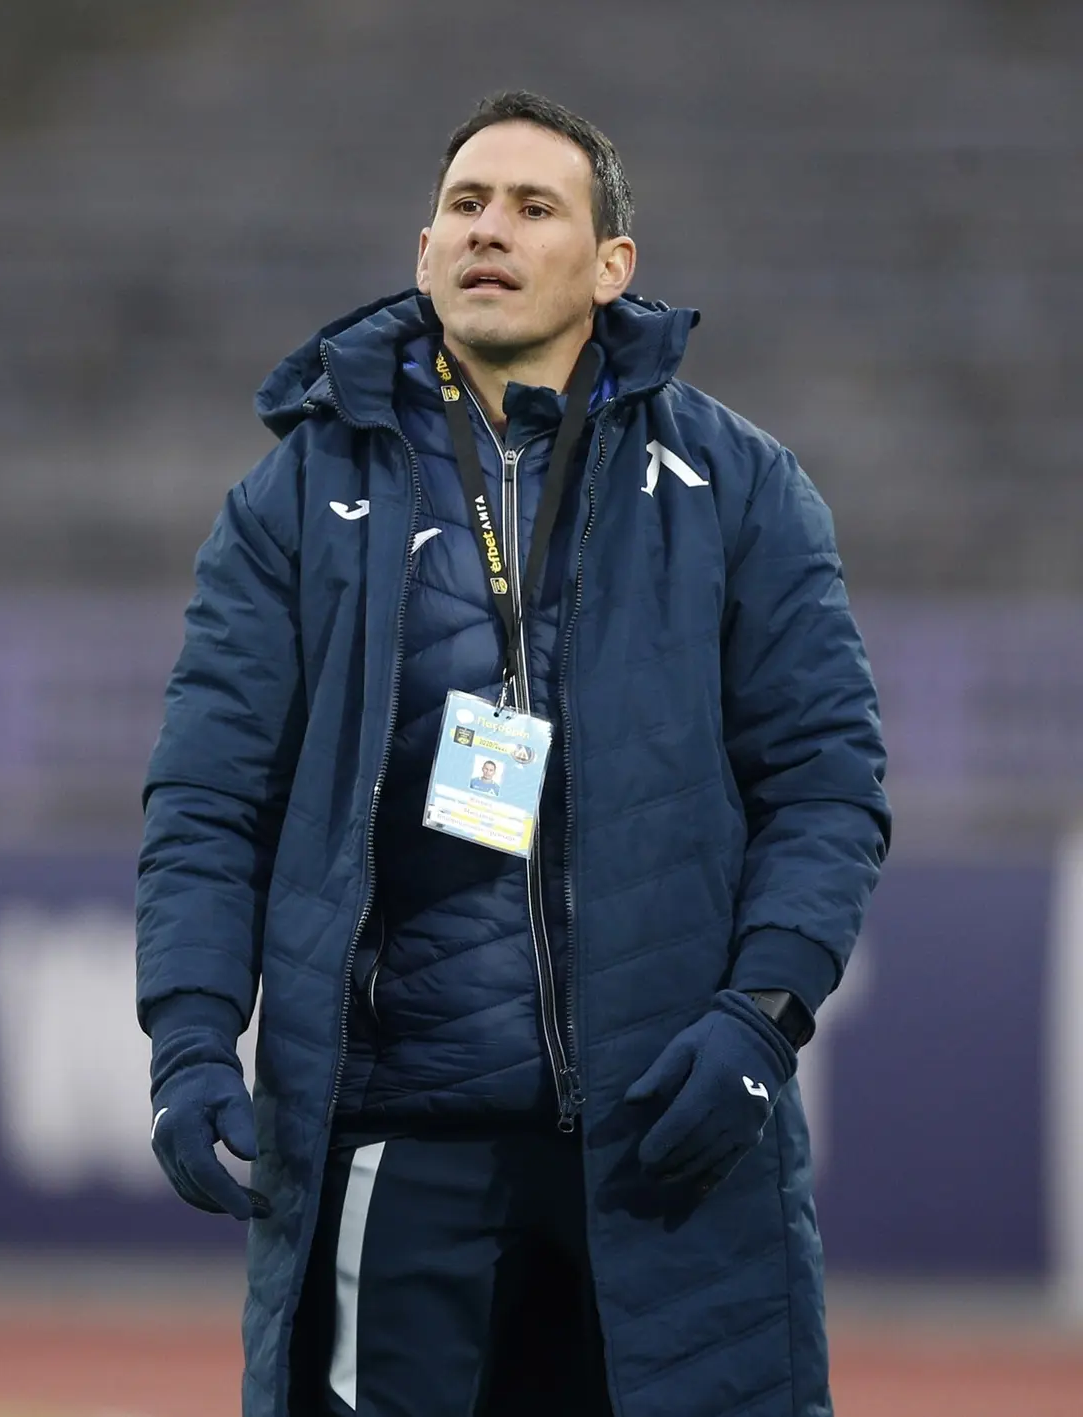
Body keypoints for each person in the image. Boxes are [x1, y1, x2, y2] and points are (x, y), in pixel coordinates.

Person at [136, 90, 890, 1417]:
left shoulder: (742, 487)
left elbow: (826, 783)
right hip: (394, 1134)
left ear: (611, 266)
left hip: (667, 1130)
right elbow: (208, 802)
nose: (490, 228)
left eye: (535, 207)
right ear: (424, 250)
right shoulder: (294, 500)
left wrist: (761, 1018)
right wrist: (191, 1035)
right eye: (466, 205)